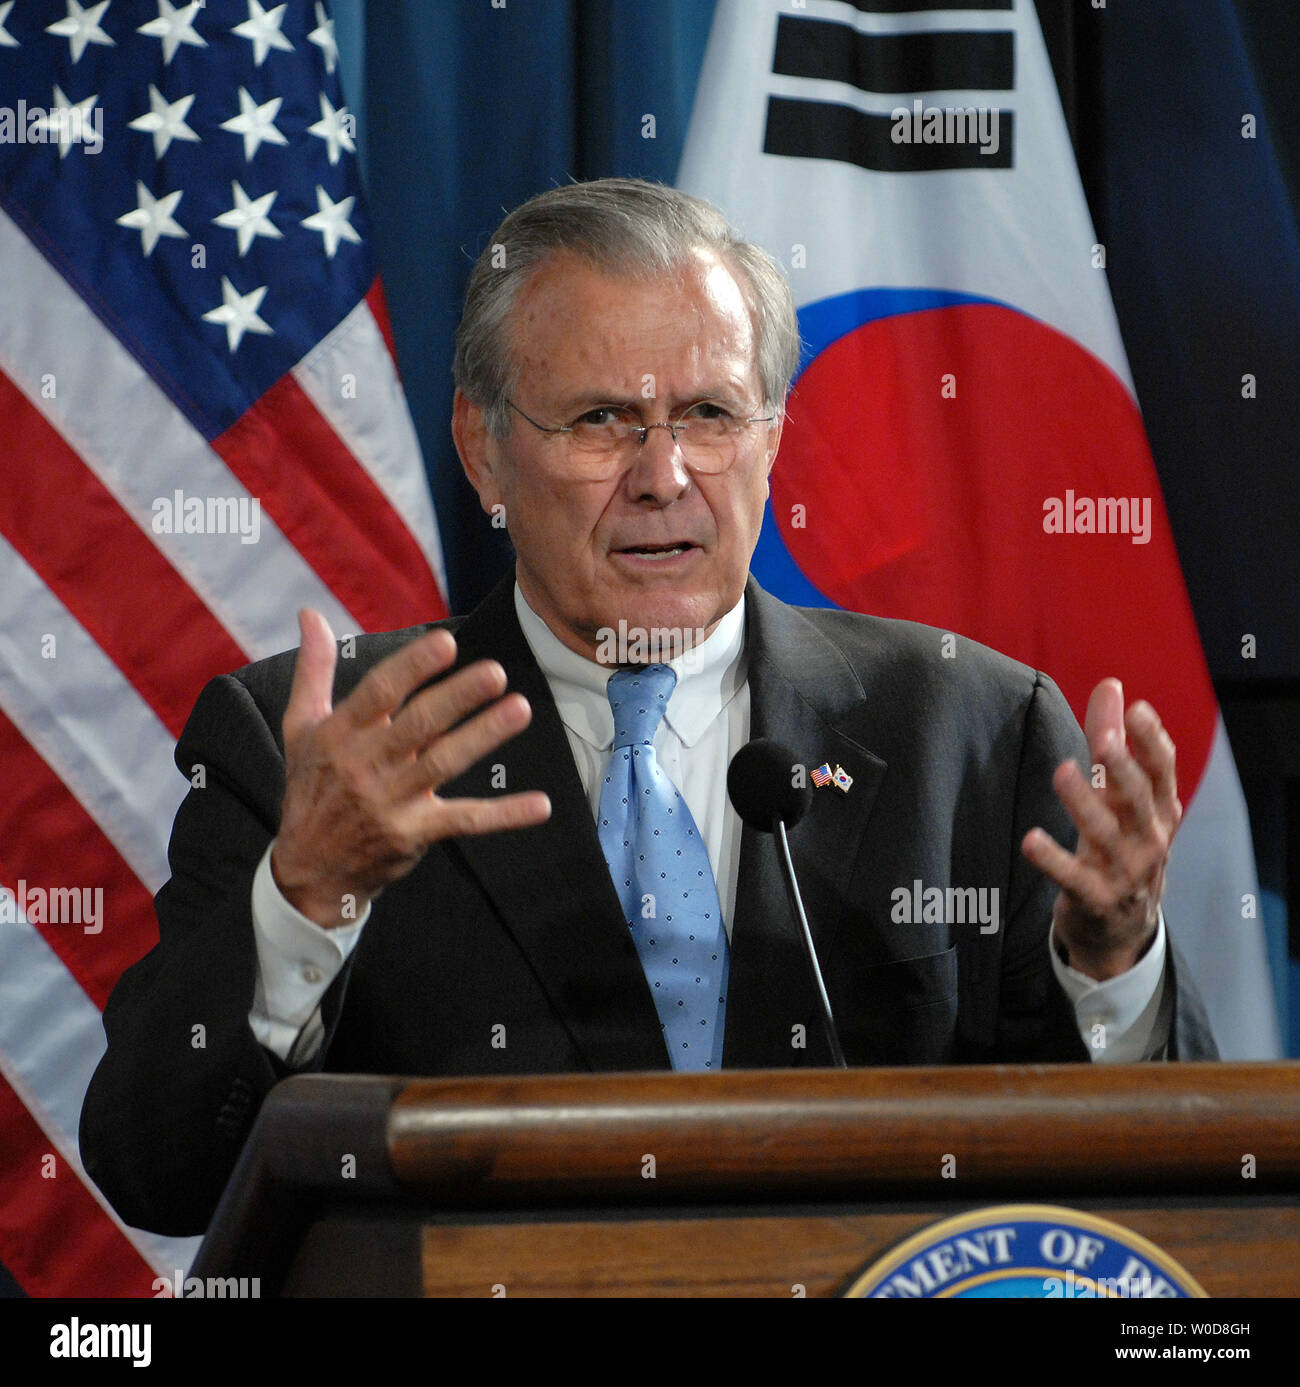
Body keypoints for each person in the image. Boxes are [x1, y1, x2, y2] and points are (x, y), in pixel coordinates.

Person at [80, 179, 1215, 1237]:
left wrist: (1112, 966)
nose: (663, 473)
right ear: (484, 450)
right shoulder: (317, 752)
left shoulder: (971, 730)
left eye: (711, 412)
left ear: (771, 437)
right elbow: (158, 1170)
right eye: (599, 422)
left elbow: (1156, 1207)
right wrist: (308, 892)